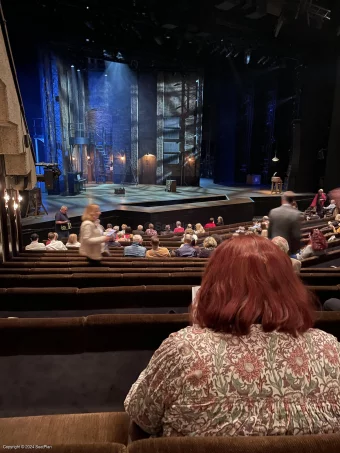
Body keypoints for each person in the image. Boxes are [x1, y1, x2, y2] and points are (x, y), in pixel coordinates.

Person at [125, 235, 340, 437]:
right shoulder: (330, 349)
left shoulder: (183, 349)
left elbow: (141, 415)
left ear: (213, 286)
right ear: (290, 285)